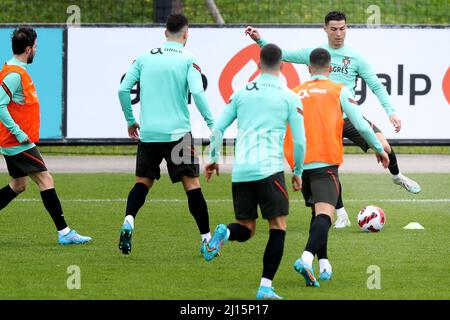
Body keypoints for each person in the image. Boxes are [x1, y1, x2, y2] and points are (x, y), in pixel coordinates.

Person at [245, 11, 421, 229]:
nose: (339, 33)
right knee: (329, 166)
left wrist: (391, 112)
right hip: (324, 120)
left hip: (350, 116)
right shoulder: (315, 53)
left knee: (384, 145)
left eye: (343, 28)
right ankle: (341, 212)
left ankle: (397, 176)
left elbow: (376, 85)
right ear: (325, 29)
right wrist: (259, 40)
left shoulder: (356, 57)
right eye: (334, 29)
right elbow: (283, 54)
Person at [202, 44, 306, 299]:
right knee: (278, 226)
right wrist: (298, 170)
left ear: (258, 64)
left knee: (246, 229)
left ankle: (225, 232)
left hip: (242, 171)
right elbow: (301, 141)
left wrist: (213, 158)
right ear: (282, 65)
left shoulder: (240, 93)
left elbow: (217, 129)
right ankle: (265, 287)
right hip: (269, 170)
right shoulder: (289, 96)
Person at [284, 48, 389, 286]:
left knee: (317, 215)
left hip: (302, 164)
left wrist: (295, 167)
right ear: (330, 69)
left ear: (308, 68)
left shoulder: (294, 93)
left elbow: (284, 128)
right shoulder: (338, 89)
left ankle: (324, 265)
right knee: (325, 217)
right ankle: (306, 258)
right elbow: (361, 125)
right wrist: (378, 148)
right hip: (326, 164)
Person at [117, 14, 215, 255]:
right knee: (192, 186)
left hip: (149, 134)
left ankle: (129, 219)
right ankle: (206, 240)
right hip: (178, 135)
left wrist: (131, 121)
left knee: (142, 183)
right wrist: (213, 123)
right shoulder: (188, 59)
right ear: (186, 34)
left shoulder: (144, 57)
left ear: (165, 33)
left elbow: (122, 89)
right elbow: (198, 94)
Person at [0, 27, 92, 245]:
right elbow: (0, 105)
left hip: (15, 141)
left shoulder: (14, 69)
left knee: (18, 185)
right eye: (36, 48)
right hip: (18, 142)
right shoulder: (14, 74)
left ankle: (65, 232)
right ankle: (64, 232)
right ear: (29, 49)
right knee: (46, 179)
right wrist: (19, 132)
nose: (36, 51)